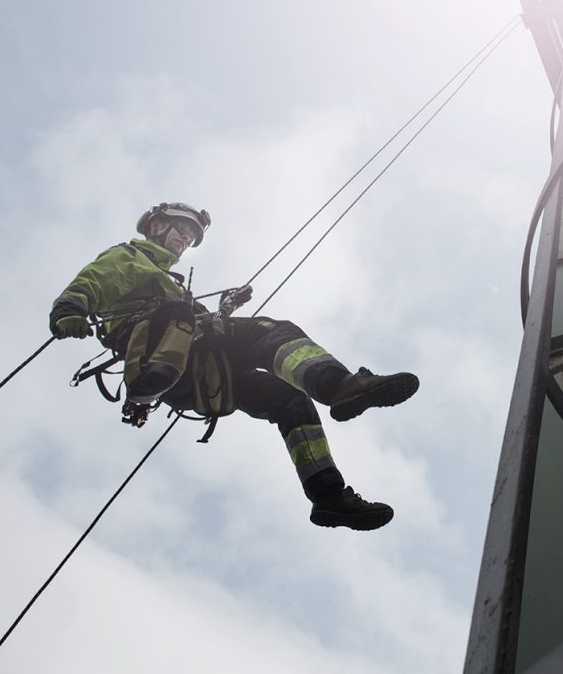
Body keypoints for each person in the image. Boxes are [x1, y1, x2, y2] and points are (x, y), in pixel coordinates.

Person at [48, 202, 418, 531]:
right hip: (167, 353)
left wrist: (225, 310)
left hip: (191, 371)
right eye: (182, 229)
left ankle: (328, 496)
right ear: (157, 226)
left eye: (191, 237)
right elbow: (95, 280)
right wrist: (70, 309)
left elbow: (195, 327)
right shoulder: (132, 258)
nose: (185, 240)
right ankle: (339, 386)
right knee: (272, 333)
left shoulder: (171, 285)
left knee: (289, 401)